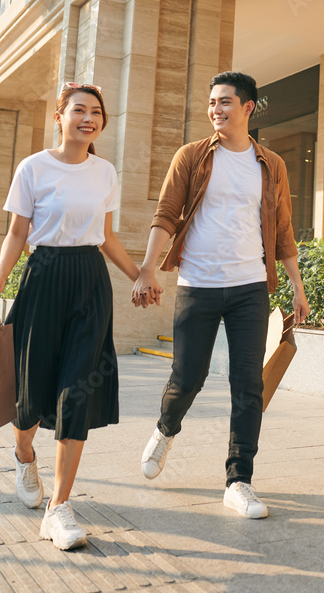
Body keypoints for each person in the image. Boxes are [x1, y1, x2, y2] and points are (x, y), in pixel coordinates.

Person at [131, 71, 310, 519]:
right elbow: (166, 214)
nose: (216, 110)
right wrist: (148, 268)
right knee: (187, 376)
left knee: (247, 384)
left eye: (225, 102)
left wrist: (297, 288)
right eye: (212, 103)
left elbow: (283, 231)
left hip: (251, 286)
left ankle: (239, 480)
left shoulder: (271, 164)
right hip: (199, 283)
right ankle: (165, 428)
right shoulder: (191, 156)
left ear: (248, 107)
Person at [0, 82, 139, 551]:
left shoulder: (105, 171)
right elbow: (17, 232)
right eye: (78, 110)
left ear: (102, 122)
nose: (87, 118)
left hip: (89, 281)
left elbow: (105, 236)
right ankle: (24, 453)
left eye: (95, 112)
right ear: (59, 116)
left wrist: (138, 275)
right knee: (33, 386)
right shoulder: (33, 167)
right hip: (43, 277)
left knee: (77, 389)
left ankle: (59, 507)